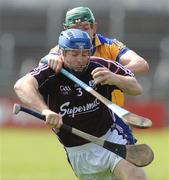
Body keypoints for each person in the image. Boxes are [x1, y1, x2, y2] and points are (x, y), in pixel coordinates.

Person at [14, 29, 147, 180]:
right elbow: (21, 85)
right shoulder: (51, 72)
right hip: (78, 151)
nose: (80, 59)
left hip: (111, 137)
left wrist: (115, 79)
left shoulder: (100, 66)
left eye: (85, 54)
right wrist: (45, 111)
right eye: (74, 54)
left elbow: (136, 89)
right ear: (62, 53)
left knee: (135, 176)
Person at [40, 6, 149, 107]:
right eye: (75, 28)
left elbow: (141, 64)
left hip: (112, 113)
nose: (81, 33)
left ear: (94, 28)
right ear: (66, 30)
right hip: (77, 112)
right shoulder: (60, 50)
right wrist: (49, 59)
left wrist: (112, 74)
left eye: (85, 28)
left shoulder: (110, 46)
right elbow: (40, 68)